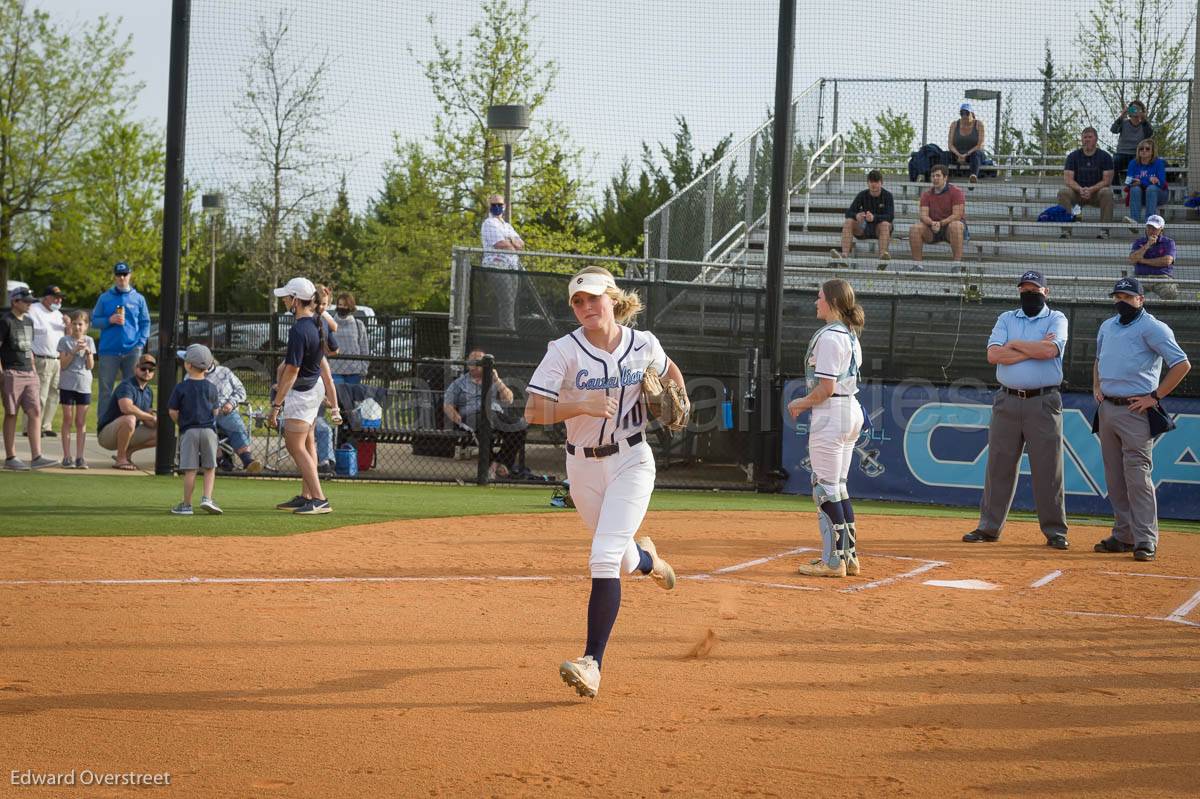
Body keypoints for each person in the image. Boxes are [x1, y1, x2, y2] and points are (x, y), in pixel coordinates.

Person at [524, 266, 684, 699]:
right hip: (582, 469)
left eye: (593, 297)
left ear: (612, 298)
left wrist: (673, 403)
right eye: (578, 301)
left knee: (604, 556)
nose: (586, 307)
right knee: (625, 559)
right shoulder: (564, 350)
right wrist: (579, 403)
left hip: (632, 460)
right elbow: (533, 411)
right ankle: (649, 560)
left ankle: (591, 662)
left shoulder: (643, 342)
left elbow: (672, 376)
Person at [962, 271, 1070, 549]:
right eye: (1024, 289)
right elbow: (993, 355)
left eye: (1034, 289)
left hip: (1043, 401)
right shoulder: (1006, 318)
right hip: (1007, 400)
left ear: (1046, 291)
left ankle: (1055, 531)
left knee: (1048, 469)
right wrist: (1033, 348)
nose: (1028, 293)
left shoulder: (1057, 318)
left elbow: (1050, 352)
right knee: (999, 466)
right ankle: (989, 527)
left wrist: (1015, 345)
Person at [1092, 277, 1190, 562]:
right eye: (1118, 296)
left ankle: (1146, 539)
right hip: (1108, 408)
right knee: (1114, 477)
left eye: (1127, 296)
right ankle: (1124, 535)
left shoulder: (1153, 327)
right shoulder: (1107, 326)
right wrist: (1097, 387)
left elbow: (1182, 364)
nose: (1121, 301)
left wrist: (1155, 396)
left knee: (1137, 477)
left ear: (1140, 299)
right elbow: (1098, 360)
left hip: (1136, 410)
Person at [788, 279, 867, 578]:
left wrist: (800, 403)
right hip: (848, 410)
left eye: (820, 297)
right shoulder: (848, 334)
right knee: (838, 486)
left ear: (833, 302)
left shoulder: (831, 336)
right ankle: (849, 556)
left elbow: (825, 388)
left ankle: (834, 560)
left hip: (832, 412)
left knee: (825, 488)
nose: (816, 302)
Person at [268, 277, 336, 515]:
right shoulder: (317, 322)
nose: (285, 300)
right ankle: (308, 496)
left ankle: (319, 498)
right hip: (313, 388)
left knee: (294, 445)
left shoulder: (299, 329)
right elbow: (330, 351)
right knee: (308, 443)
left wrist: (276, 405)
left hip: (303, 393)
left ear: (296, 301)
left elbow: (292, 370)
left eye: (287, 297)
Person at [444, 348, 530, 478]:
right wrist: (457, 419)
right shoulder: (459, 383)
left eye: (479, 362)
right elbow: (447, 404)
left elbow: (509, 399)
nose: (475, 364)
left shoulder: (493, 380)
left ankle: (500, 463)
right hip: (473, 416)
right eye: (472, 361)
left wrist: (497, 380)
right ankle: (490, 467)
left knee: (520, 426)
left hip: (495, 414)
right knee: (485, 429)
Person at [2, 287, 55, 470]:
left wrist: (33, 370)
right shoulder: (5, 321)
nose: (29, 304)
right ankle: (11, 457)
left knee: (35, 412)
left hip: (29, 373)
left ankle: (37, 456)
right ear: (15, 302)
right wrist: (2, 373)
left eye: (31, 301)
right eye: (26, 301)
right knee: (11, 414)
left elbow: (28, 349)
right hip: (11, 373)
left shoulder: (29, 322)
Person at [92, 261, 152, 416]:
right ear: (114, 277)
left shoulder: (138, 299)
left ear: (130, 275)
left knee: (133, 388)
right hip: (109, 351)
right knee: (105, 390)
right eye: (118, 275)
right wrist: (109, 320)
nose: (122, 278)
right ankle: (104, 426)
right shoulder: (105, 298)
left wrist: (140, 343)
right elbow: (95, 320)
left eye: (125, 274)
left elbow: (145, 322)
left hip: (132, 351)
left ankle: (132, 423)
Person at [169, 344, 222, 516]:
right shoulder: (211, 387)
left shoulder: (181, 387)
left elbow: (172, 411)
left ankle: (186, 505)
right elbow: (215, 411)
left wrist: (182, 423)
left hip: (189, 431)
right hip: (209, 431)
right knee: (209, 467)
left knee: (190, 469)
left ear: (188, 365)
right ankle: (207, 498)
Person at [97, 352, 158, 469]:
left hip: (129, 431)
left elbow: (147, 421)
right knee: (130, 418)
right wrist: (151, 417)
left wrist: (156, 420)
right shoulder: (127, 385)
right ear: (136, 368)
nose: (147, 372)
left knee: (163, 432)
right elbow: (126, 408)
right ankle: (120, 460)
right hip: (107, 435)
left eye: (151, 370)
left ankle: (126, 453)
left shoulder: (148, 391)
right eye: (143, 368)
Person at [203, 355, 262, 474]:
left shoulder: (225, 372)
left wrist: (231, 403)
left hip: (225, 411)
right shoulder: (191, 376)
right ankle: (220, 460)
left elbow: (241, 390)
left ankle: (248, 461)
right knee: (207, 429)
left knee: (236, 425)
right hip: (204, 413)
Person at [1057, 128, 1115, 237]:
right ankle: (1066, 230)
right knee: (1063, 191)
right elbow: (1068, 179)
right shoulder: (1073, 156)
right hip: (1077, 193)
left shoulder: (1105, 157)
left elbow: (1107, 181)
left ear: (1096, 139)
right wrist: (1080, 189)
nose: (1087, 140)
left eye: (1090, 137)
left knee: (1107, 192)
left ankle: (1104, 231)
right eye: (1085, 137)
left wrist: (1091, 190)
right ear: (1081, 139)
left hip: (1096, 194)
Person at [57, 310, 96, 469]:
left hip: (84, 385)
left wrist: (87, 353)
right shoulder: (64, 341)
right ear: (70, 325)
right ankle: (67, 456)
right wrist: (73, 351)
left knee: (81, 421)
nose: (77, 327)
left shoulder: (90, 341)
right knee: (67, 418)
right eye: (74, 324)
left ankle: (80, 457)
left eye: (81, 324)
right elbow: (63, 364)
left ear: (86, 326)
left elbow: (90, 366)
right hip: (67, 384)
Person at [27, 285, 66, 438]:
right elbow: (27, 333)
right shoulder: (34, 310)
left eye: (61, 297)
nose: (59, 300)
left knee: (54, 394)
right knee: (39, 395)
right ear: (46, 297)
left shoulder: (58, 314)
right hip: (40, 359)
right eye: (56, 297)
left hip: (57, 359)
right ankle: (31, 426)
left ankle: (45, 425)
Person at [909, 164, 967, 267]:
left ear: (945, 177)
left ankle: (957, 265)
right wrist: (932, 223)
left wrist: (941, 223)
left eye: (938, 176)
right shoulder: (926, 195)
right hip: (933, 229)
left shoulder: (956, 192)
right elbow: (923, 215)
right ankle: (917, 266)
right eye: (933, 176)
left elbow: (957, 215)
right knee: (915, 228)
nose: (935, 178)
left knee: (956, 225)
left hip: (950, 229)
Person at [481, 193, 524, 330]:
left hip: (512, 266)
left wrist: (510, 241)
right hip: (496, 266)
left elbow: (521, 244)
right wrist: (512, 242)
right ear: (489, 206)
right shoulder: (489, 223)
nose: (497, 207)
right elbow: (500, 243)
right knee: (506, 299)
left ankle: (509, 329)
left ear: (504, 206)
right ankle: (508, 331)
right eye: (494, 205)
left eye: (500, 205)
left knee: (511, 301)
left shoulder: (507, 226)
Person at [831, 170, 894, 264]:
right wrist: (856, 215)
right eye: (871, 182)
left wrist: (874, 218)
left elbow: (890, 216)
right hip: (864, 228)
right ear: (867, 183)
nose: (873, 185)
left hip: (879, 229)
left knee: (885, 225)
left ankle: (882, 258)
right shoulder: (862, 195)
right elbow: (848, 212)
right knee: (848, 221)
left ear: (881, 183)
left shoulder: (888, 196)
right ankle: (844, 256)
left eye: (876, 182)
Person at [1128, 214, 1178, 300]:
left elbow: (1167, 261)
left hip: (1162, 278)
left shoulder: (1169, 242)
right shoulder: (1139, 242)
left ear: (1161, 229)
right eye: (1149, 227)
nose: (1151, 230)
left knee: (1170, 293)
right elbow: (1132, 260)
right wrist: (1147, 245)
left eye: (1154, 228)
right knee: (1127, 292)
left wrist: (1143, 261)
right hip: (1140, 277)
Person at [1124, 139, 1167, 225]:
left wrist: (1143, 181)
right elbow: (1128, 182)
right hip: (1141, 195)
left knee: (1151, 188)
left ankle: (1150, 222)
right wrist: (1133, 182)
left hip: (1158, 195)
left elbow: (1162, 183)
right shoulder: (1133, 163)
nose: (1144, 150)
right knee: (1135, 188)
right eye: (1141, 148)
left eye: (1147, 149)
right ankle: (1134, 221)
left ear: (1152, 152)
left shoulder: (1159, 163)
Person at [330, 292, 370, 385]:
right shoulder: (330, 323)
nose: (342, 307)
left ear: (350, 306)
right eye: (340, 305)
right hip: (334, 369)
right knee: (338, 397)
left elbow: (364, 348)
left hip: (354, 370)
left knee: (351, 398)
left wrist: (364, 368)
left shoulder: (358, 324)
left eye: (345, 305)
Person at [1110, 101, 1153, 182]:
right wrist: (1122, 116)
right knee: (1112, 164)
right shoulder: (1124, 122)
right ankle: (1117, 192)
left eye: (1138, 109)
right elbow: (1113, 130)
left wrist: (1144, 119)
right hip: (1121, 154)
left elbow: (1149, 134)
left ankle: (1131, 188)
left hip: (1136, 154)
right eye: (1133, 109)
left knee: (1139, 167)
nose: (1135, 111)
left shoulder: (1144, 125)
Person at [947, 102, 986, 184]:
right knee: (944, 155)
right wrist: (959, 155)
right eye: (962, 113)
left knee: (976, 154)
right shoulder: (954, 124)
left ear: (972, 114)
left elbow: (980, 145)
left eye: (967, 113)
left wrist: (965, 154)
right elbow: (950, 145)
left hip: (973, 153)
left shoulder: (979, 124)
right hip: (958, 153)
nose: (964, 116)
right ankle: (942, 176)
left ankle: (973, 176)